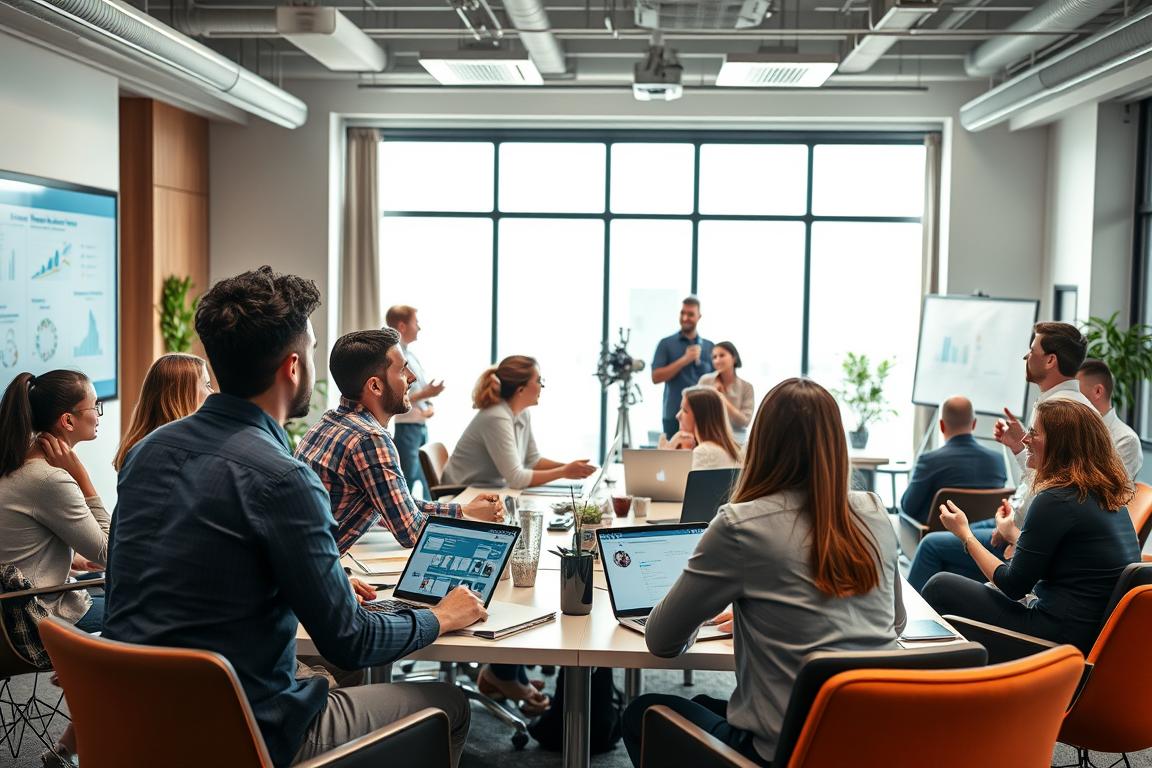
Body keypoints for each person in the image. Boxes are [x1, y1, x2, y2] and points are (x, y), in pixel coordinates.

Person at [103, 267, 485, 768]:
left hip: (134, 720)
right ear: (292, 367)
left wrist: (321, 578)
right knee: (448, 704)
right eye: (310, 349)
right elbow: (353, 641)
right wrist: (441, 616)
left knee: (329, 676)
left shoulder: (148, 451)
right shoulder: (283, 478)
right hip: (245, 732)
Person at [622, 378, 905, 767]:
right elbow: (896, 622)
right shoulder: (874, 511)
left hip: (784, 753)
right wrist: (775, 618)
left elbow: (662, 640)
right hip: (874, 744)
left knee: (644, 712)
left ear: (762, 442)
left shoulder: (742, 525)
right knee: (704, 704)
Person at [923, 398, 1140, 654]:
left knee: (941, 586)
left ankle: (910, 670)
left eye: (1034, 432)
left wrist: (965, 535)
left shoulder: (1056, 499)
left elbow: (1014, 585)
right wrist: (1011, 533)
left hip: (1053, 640)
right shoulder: (1109, 498)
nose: (1025, 439)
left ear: (1060, 443)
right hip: (1085, 637)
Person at [907, 322, 1092, 591]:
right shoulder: (1071, 404)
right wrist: (1020, 448)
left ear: (1051, 360)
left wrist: (1011, 530)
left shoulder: (1058, 410)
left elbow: (1050, 491)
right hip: (1024, 526)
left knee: (933, 545)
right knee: (949, 554)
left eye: (1032, 350)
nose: (1026, 357)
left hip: (1027, 538)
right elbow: (1050, 479)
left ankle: (905, 624)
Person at [295, 328, 504, 552]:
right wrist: (473, 524)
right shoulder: (370, 439)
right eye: (403, 369)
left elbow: (397, 504)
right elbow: (412, 532)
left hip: (304, 568)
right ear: (375, 386)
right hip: (310, 576)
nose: (412, 377)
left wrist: (465, 510)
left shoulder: (328, 423)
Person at [0, 369, 107, 768]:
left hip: (10, 610)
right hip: (35, 618)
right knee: (147, 612)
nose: (98, 414)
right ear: (67, 421)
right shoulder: (50, 480)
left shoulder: (12, 463)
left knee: (124, 597)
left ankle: (65, 748)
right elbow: (114, 551)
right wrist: (84, 478)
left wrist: (67, 556)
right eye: (93, 407)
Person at [440, 355, 595, 490]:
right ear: (520, 390)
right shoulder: (496, 417)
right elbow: (516, 479)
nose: (542, 386)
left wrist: (572, 468)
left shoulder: (522, 413)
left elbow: (533, 460)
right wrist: (564, 472)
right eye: (539, 381)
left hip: (486, 490)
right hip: (461, 495)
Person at [898, 395, 1007, 524]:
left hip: (936, 540)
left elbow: (908, 507)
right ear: (974, 424)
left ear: (941, 425)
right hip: (983, 540)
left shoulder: (929, 461)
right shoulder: (998, 461)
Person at [113, 352, 213, 470]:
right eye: (207, 385)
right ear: (182, 396)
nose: (212, 392)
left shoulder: (136, 451)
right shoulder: (190, 455)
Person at [385, 305, 444, 500]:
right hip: (407, 427)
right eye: (416, 322)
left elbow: (419, 392)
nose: (419, 327)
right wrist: (426, 394)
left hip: (419, 427)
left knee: (426, 480)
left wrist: (429, 402)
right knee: (407, 480)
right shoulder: (394, 357)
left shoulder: (411, 356)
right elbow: (395, 395)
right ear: (402, 326)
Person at [651, 296, 714, 439]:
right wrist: (684, 360)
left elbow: (716, 382)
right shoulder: (666, 344)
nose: (685, 317)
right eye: (682, 313)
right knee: (673, 460)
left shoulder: (710, 347)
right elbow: (655, 377)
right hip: (674, 415)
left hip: (704, 417)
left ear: (699, 316)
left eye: (690, 314)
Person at [1077, 359, 1144, 481]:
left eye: (1076, 390)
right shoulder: (1074, 430)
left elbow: (1110, 494)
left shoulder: (1126, 440)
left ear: (1098, 391)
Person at [659, 386, 742, 470]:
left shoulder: (704, 451)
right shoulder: (727, 450)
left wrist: (666, 454)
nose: (678, 416)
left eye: (684, 410)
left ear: (700, 416)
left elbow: (678, 482)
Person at [697, 341, 754, 443]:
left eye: (722, 355)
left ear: (734, 358)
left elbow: (745, 421)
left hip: (737, 440)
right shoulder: (705, 381)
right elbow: (698, 413)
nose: (717, 360)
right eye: (714, 357)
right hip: (709, 439)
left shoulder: (747, 387)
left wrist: (721, 398)